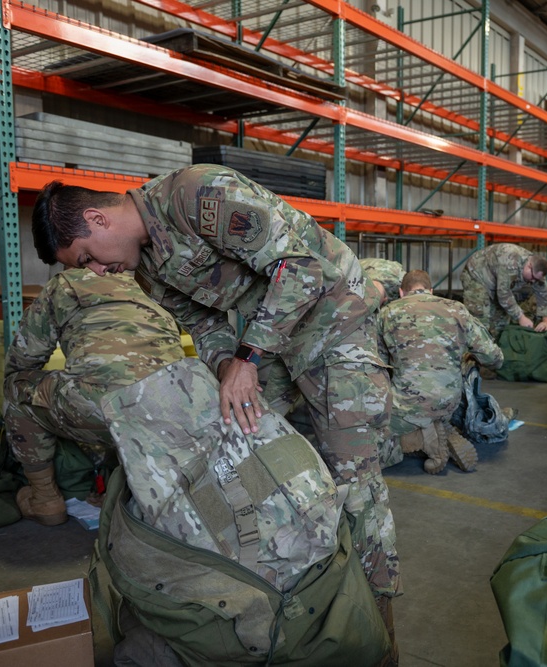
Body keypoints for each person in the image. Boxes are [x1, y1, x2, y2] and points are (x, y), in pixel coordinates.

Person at [30, 165, 402, 656]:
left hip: (333, 316)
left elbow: (303, 266)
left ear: (98, 220)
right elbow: (202, 325)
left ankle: (376, 629)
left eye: (87, 259)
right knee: (242, 444)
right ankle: (279, 593)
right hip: (269, 338)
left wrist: (248, 359)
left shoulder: (195, 194)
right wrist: (229, 363)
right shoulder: (145, 268)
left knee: (353, 476)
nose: (98, 273)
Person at [4, 269, 185, 526]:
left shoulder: (66, 283)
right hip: (174, 408)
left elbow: (25, 357)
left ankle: (45, 499)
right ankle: (118, 491)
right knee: (120, 396)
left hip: (108, 409)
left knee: (17, 389)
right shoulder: (154, 280)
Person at [378, 270, 504, 474]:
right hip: (450, 401)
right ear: (431, 290)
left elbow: (379, 365)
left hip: (408, 403)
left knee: (362, 445)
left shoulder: (387, 312)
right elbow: (494, 357)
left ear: (402, 292)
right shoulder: (457, 309)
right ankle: (440, 423)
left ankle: (421, 436)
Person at [461, 243, 547, 337]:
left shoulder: (537, 270)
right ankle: (475, 349)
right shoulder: (510, 261)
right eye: (533, 277)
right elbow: (503, 294)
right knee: (480, 321)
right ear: (529, 266)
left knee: (501, 324)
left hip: (496, 282)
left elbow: (544, 294)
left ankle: (496, 347)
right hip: (477, 276)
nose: (533, 281)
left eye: (536, 279)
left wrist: (546, 321)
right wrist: (521, 317)